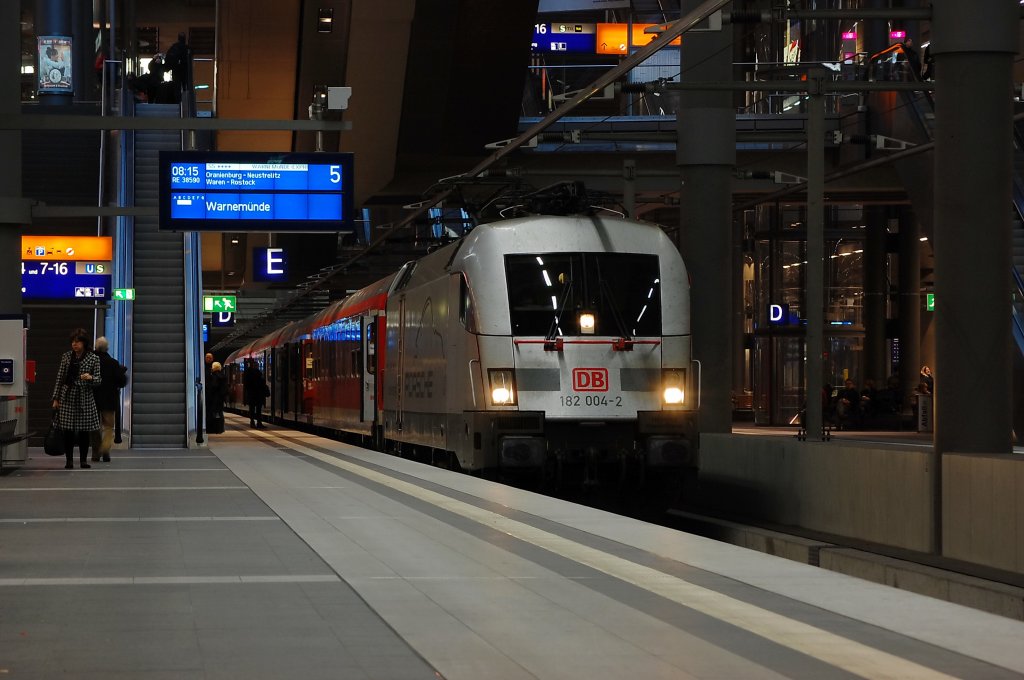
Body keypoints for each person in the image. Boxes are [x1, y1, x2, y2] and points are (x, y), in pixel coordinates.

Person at [51, 328, 102, 469]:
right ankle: (69, 460)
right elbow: (60, 378)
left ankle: (83, 460)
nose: (75, 344)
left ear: (84, 343)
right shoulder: (66, 357)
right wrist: (56, 398)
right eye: (73, 342)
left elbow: (99, 380)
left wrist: (90, 377)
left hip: (85, 397)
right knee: (68, 431)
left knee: (84, 432)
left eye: (78, 342)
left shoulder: (94, 358)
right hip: (67, 396)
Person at [90, 337, 127, 462]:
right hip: (109, 400)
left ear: (96, 347)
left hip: (92, 398)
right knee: (109, 427)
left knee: (94, 427)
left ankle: (96, 452)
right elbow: (121, 381)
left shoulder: (90, 361)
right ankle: (105, 449)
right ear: (107, 348)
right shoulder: (113, 363)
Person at [243, 359, 267, 429]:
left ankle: (254, 422)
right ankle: (257, 422)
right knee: (257, 409)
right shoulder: (257, 373)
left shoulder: (248, 372)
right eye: (256, 365)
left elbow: (246, 384)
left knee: (253, 409)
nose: (257, 366)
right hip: (256, 393)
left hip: (253, 394)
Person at [206, 362, 226, 434]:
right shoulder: (223, 376)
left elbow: (213, 386)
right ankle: (220, 428)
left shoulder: (214, 376)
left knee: (213, 413)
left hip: (214, 398)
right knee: (220, 413)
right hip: (221, 398)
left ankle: (214, 429)